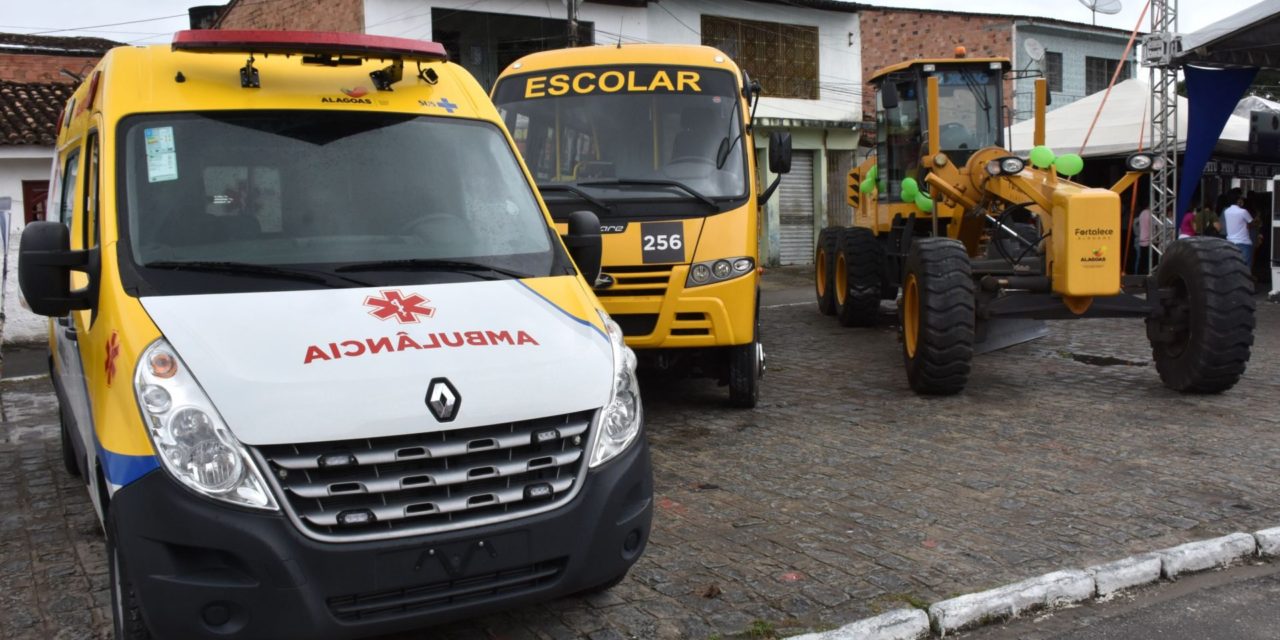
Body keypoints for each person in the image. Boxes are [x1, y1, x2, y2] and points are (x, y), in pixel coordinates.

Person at [1223, 188, 1256, 265]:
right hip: (1244, 243)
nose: (1242, 200)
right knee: (1245, 268)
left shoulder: (1226, 211)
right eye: (1241, 198)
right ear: (1238, 200)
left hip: (1230, 243)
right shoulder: (1243, 212)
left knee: (1233, 267)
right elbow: (1252, 223)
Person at [1132, 206, 1151, 273]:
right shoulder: (1150, 214)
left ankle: (1137, 273)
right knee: (1145, 259)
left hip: (1139, 239)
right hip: (1146, 239)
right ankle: (1141, 273)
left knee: (1139, 258)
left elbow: (1136, 230)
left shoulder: (1136, 219)